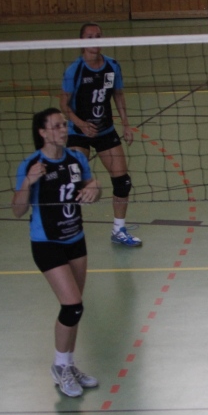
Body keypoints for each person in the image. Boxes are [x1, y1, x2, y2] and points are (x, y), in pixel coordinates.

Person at [12, 108, 102, 398]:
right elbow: (17, 210)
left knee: (76, 309)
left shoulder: (76, 159)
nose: (63, 130)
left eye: (64, 125)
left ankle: (69, 365)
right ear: (42, 132)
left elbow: (91, 186)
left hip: (75, 238)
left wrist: (95, 188)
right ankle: (59, 367)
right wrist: (28, 182)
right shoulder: (31, 164)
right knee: (72, 306)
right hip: (46, 243)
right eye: (56, 126)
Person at [60, 22, 141, 247]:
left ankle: (119, 230)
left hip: (105, 130)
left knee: (123, 182)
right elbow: (64, 104)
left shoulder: (112, 66)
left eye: (98, 36)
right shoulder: (74, 70)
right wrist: (81, 124)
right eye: (90, 37)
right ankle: (66, 228)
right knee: (72, 181)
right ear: (81, 42)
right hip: (79, 133)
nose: (95, 40)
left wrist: (126, 125)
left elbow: (118, 95)